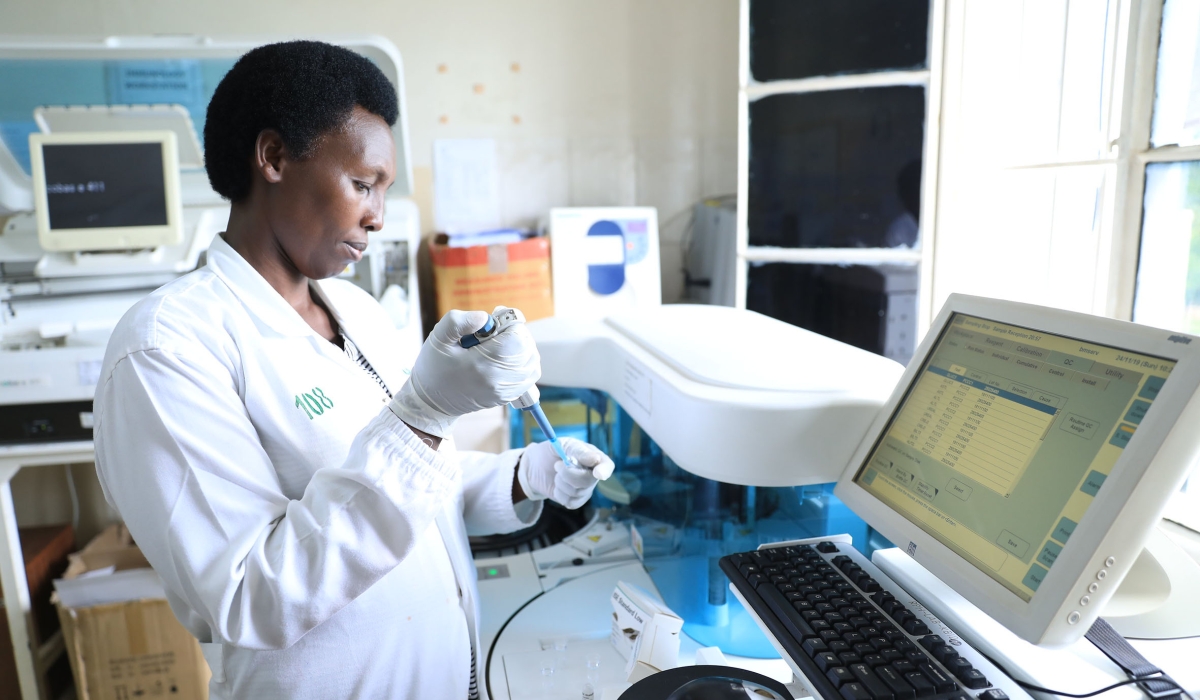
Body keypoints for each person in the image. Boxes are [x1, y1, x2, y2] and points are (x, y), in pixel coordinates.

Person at [92, 40, 613, 700]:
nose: (377, 215)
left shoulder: (358, 310)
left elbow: (413, 491)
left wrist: (526, 474)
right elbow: (254, 594)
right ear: (274, 157)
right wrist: (424, 413)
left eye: (384, 190)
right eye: (362, 185)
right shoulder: (168, 348)